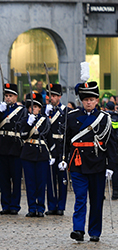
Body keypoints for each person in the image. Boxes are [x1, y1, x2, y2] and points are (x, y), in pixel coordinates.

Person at [63, 81, 116, 242]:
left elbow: (112, 143)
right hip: (78, 163)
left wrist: (111, 166)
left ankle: (94, 231)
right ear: (81, 100)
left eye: (92, 99)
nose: (88, 102)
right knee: (80, 198)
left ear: (97, 100)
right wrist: (63, 158)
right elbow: (65, 141)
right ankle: (78, 229)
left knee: (96, 199)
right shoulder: (71, 116)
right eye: (85, 99)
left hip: (98, 163)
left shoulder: (104, 118)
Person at [17, 92, 51, 217]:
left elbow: (49, 137)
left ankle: (41, 208)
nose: (34, 109)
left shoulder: (45, 120)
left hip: (41, 153)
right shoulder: (24, 120)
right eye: (31, 107)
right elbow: (23, 135)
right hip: (28, 153)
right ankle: (32, 207)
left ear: (40, 108)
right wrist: (28, 124)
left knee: (41, 183)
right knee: (30, 182)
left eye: (36, 107)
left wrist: (51, 155)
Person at [0, 83, 24, 215]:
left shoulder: (21, 111)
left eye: (10, 96)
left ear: (16, 97)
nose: (8, 98)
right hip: (2, 147)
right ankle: (5, 204)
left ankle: (15, 205)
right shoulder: (1, 109)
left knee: (15, 178)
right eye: (6, 96)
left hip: (15, 147)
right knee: (3, 179)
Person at [44, 83, 68, 215]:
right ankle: (52, 205)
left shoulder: (65, 111)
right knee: (50, 179)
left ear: (59, 96)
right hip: (50, 148)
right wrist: (45, 114)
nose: (51, 98)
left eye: (54, 96)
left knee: (62, 180)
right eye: (50, 96)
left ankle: (61, 206)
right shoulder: (45, 111)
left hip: (61, 148)